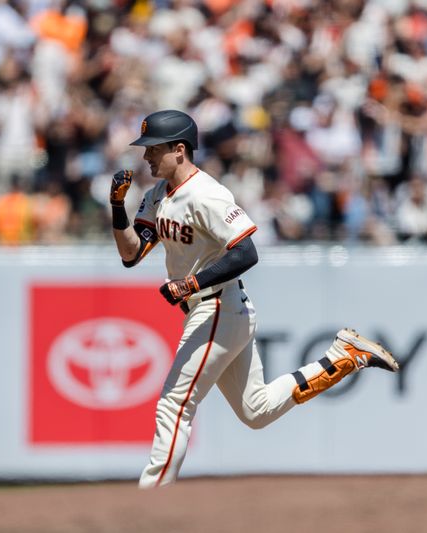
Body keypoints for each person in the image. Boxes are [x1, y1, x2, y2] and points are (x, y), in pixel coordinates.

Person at [109, 109, 400, 489]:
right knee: (256, 409)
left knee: (173, 405)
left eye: (154, 148)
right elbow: (132, 255)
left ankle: (148, 502)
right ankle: (340, 357)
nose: (146, 156)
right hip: (216, 309)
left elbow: (247, 252)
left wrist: (191, 284)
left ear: (180, 150)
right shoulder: (158, 196)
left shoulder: (207, 194)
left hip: (217, 305)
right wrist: (117, 209)